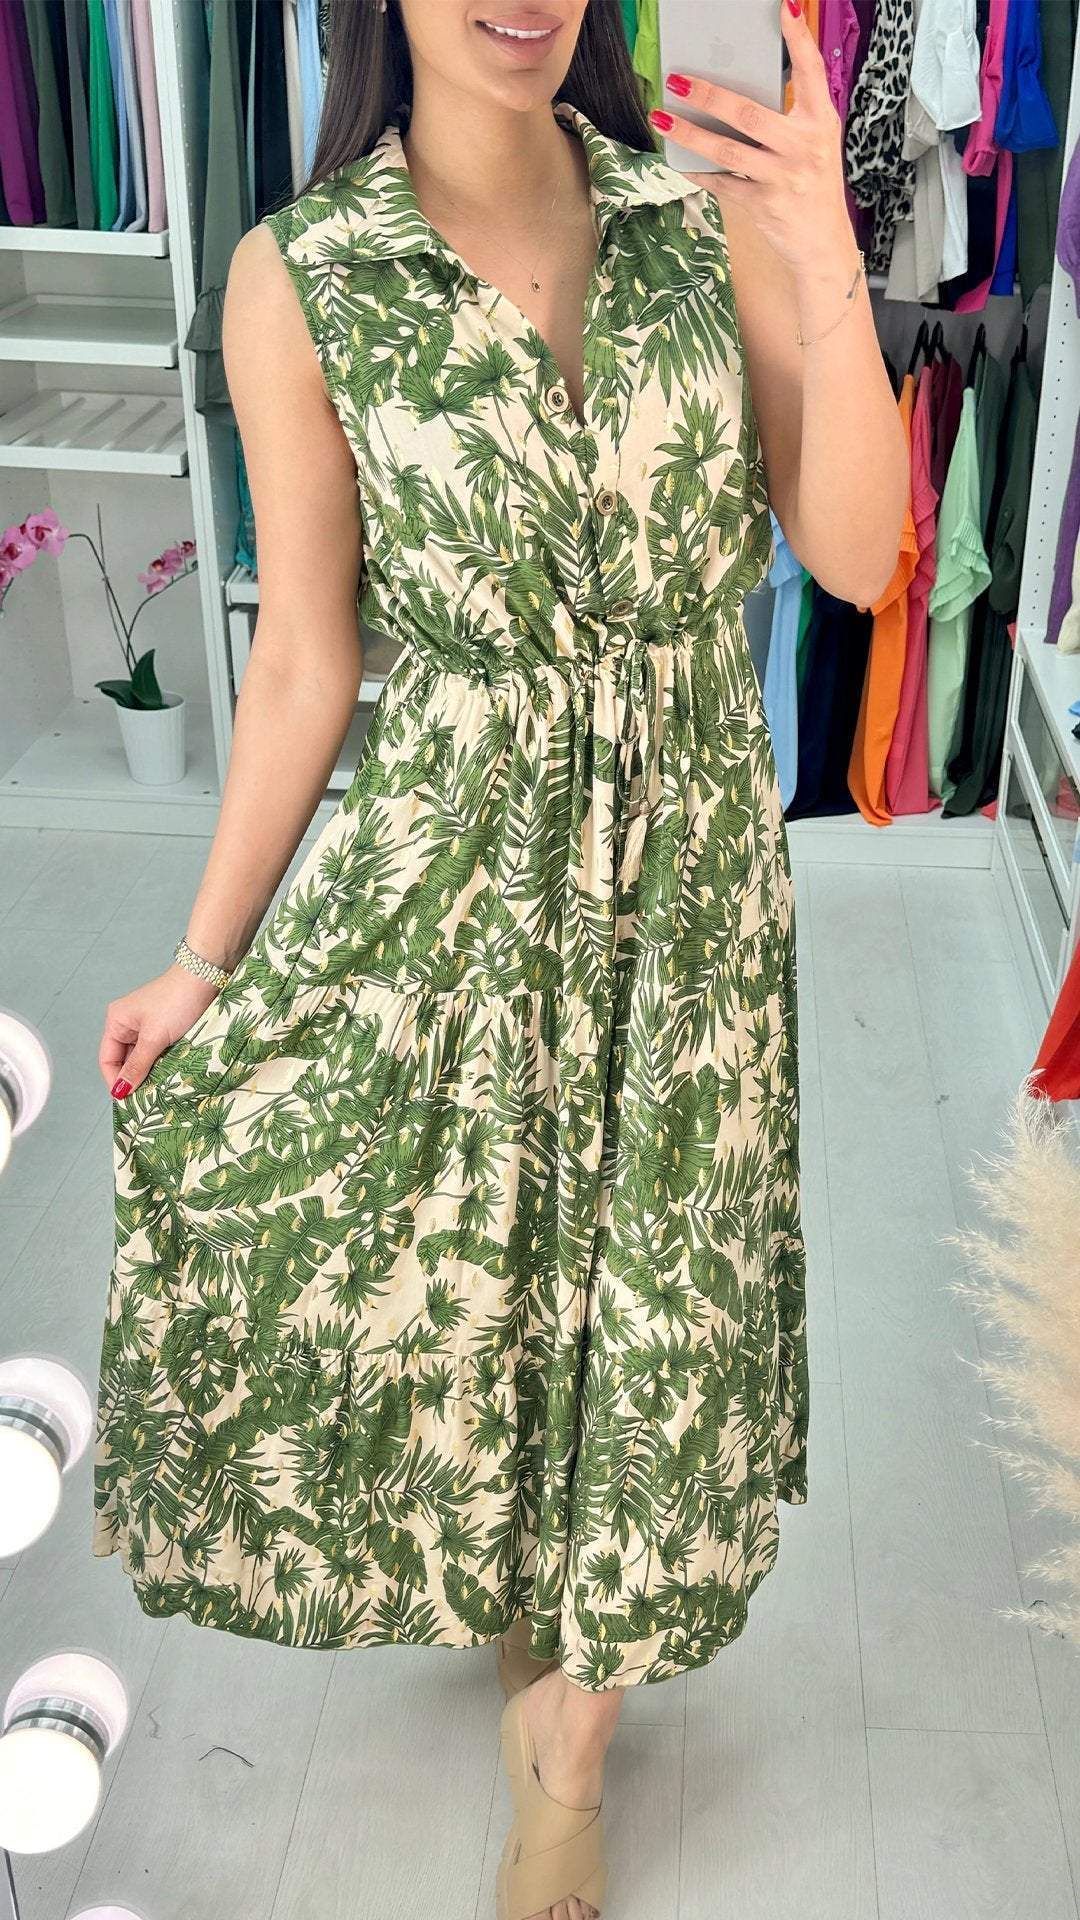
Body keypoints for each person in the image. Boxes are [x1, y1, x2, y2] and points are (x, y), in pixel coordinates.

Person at [94, 4, 907, 1917]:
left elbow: (857, 556)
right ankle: (533, 1585)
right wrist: (205, 960)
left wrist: (826, 261)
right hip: (455, 869)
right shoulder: (303, 277)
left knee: (670, 1300)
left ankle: (572, 1742)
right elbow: (308, 660)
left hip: (689, 889)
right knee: (494, 1273)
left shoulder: (699, 213)